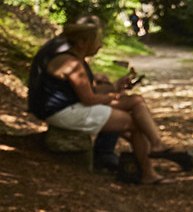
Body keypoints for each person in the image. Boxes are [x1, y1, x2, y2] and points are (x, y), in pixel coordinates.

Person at [27, 20, 174, 184]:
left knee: (136, 101)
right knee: (133, 123)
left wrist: (116, 86)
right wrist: (113, 97)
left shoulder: (78, 60)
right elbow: (89, 98)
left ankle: (154, 152)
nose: (101, 45)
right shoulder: (71, 63)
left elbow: (90, 90)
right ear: (83, 42)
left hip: (70, 107)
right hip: (62, 112)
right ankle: (150, 165)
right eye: (97, 41)